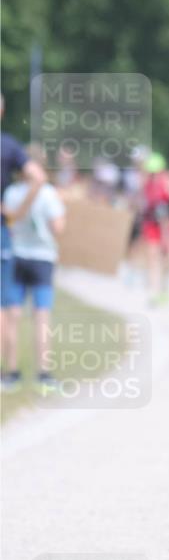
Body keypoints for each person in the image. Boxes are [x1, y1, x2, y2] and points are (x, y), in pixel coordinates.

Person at [1, 145, 66, 393]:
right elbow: (58, 229)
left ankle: (11, 372)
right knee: (41, 317)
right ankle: (43, 374)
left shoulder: (12, 193)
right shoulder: (49, 194)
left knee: (12, 315)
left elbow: (8, 221)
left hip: (16, 256)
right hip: (43, 259)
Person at [1, 94, 47, 391]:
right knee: (7, 307)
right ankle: (11, 371)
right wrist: (16, 213)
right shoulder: (8, 146)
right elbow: (39, 177)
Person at [139, 152, 169, 307]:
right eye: (150, 171)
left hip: (167, 224)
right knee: (153, 255)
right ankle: (154, 292)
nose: (153, 174)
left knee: (167, 257)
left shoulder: (168, 181)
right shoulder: (146, 183)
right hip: (153, 223)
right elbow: (145, 204)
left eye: (155, 172)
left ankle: (164, 289)